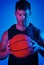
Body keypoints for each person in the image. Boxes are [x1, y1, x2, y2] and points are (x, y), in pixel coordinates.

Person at [0, 0, 44, 65]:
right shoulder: (7, 34)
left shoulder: (38, 33)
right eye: (19, 14)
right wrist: (6, 52)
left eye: (25, 14)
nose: (22, 18)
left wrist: (39, 47)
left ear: (30, 14)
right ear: (15, 13)